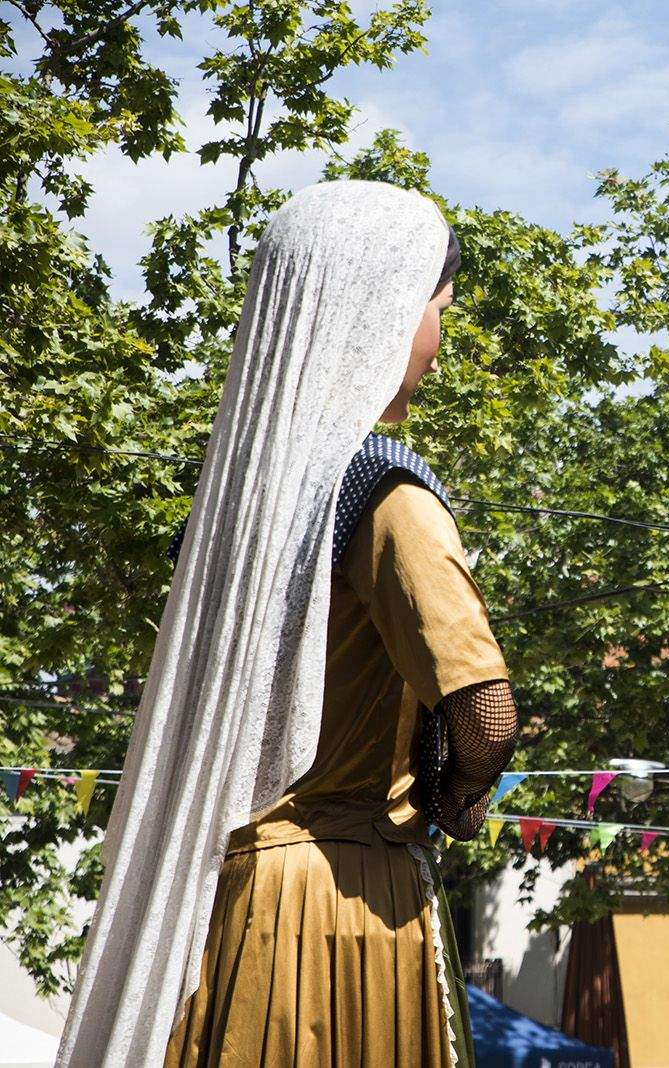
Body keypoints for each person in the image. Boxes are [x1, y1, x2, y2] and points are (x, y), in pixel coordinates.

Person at [57, 181, 519, 1067]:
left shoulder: (229, 507)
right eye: (437, 313)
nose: (437, 344)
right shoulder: (386, 496)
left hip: (216, 904)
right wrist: (457, 796)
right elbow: (485, 713)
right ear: (383, 312)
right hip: (339, 905)